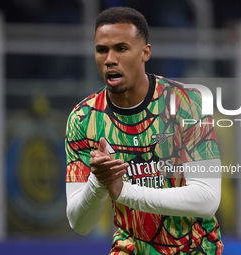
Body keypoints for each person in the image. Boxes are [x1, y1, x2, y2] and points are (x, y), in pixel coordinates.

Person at [65, 7, 223, 254]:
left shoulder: (186, 103)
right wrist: (99, 180)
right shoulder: (82, 119)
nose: (109, 59)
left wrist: (123, 191)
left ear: (145, 53)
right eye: (101, 50)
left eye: (121, 48)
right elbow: (79, 223)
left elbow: (207, 198)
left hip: (194, 249)